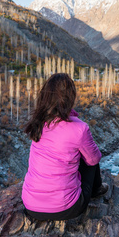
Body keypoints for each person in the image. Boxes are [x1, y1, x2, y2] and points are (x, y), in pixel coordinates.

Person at [22, 73, 108, 221]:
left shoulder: (39, 123)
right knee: (90, 159)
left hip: (31, 206)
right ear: (70, 98)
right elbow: (94, 159)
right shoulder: (79, 128)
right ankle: (97, 190)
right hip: (67, 208)